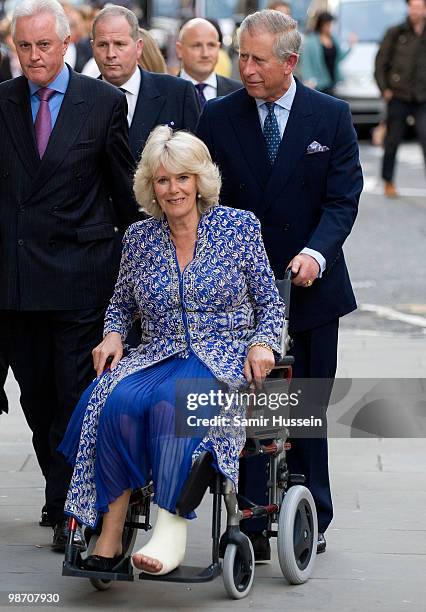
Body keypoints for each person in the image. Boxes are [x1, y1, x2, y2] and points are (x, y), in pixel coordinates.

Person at [59, 125, 285, 575]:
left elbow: (271, 305)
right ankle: (111, 530)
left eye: (182, 177)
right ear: (151, 187)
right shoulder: (140, 238)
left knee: (173, 405)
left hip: (221, 355)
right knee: (115, 402)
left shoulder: (239, 227)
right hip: (157, 353)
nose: (173, 188)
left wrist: (262, 342)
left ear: (199, 180)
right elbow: (121, 305)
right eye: (163, 180)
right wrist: (112, 334)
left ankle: (169, 532)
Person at [197, 9, 363, 558]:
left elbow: (342, 199)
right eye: (241, 55)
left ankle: (311, 511)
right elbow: (204, 198)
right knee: (249, 406)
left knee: (304, 405)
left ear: (291, 61)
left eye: (257, 59)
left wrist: (316, 251)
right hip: (238, 295)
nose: (244, 68)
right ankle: (250, 516)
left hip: (310, 290)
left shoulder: (331, 117)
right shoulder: (218, 117)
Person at [0, 0, 138, 550]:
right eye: (24, 46)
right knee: (36, 398)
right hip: (15, 281)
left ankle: (68, 510)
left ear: (66, 46)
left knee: (73, 396)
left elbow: (124, 189)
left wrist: (140, 267)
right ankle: (62, 492)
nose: (35, 56)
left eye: (44, 46)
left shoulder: (101, 103)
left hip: (81, 276)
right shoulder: (3, 102)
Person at [91, 5, 200, 162]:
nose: (111, 54)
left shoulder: (178, 93)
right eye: (102, 45)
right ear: (92, 47)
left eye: (120, 44)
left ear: (138, 47)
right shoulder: (81, 99)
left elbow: (197, 162)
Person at [374, 0, 426, 198]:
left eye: (420, 6)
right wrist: (385, 89)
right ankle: (388, 181)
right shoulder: (396, 32)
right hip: (399, 94)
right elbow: (381, 62)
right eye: (413, 6)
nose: (416, 11)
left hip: (423, 96)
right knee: (392, 140)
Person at [176, 18, 241, 109]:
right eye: (197, 46)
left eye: (211, 45)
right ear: (179, 50)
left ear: (218, 48)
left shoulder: (239, 94)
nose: (205, 54)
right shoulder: (165, 92)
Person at [300, 11, 356, 96]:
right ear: (321, 25)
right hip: (318, 84)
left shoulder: (334, 39)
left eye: (331, 24)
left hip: (333, 82)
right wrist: (308, 79)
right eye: (328, 24)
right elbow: (306, 62)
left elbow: (339, 57)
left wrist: (350, 46)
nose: (330, 27)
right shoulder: (310, 41)